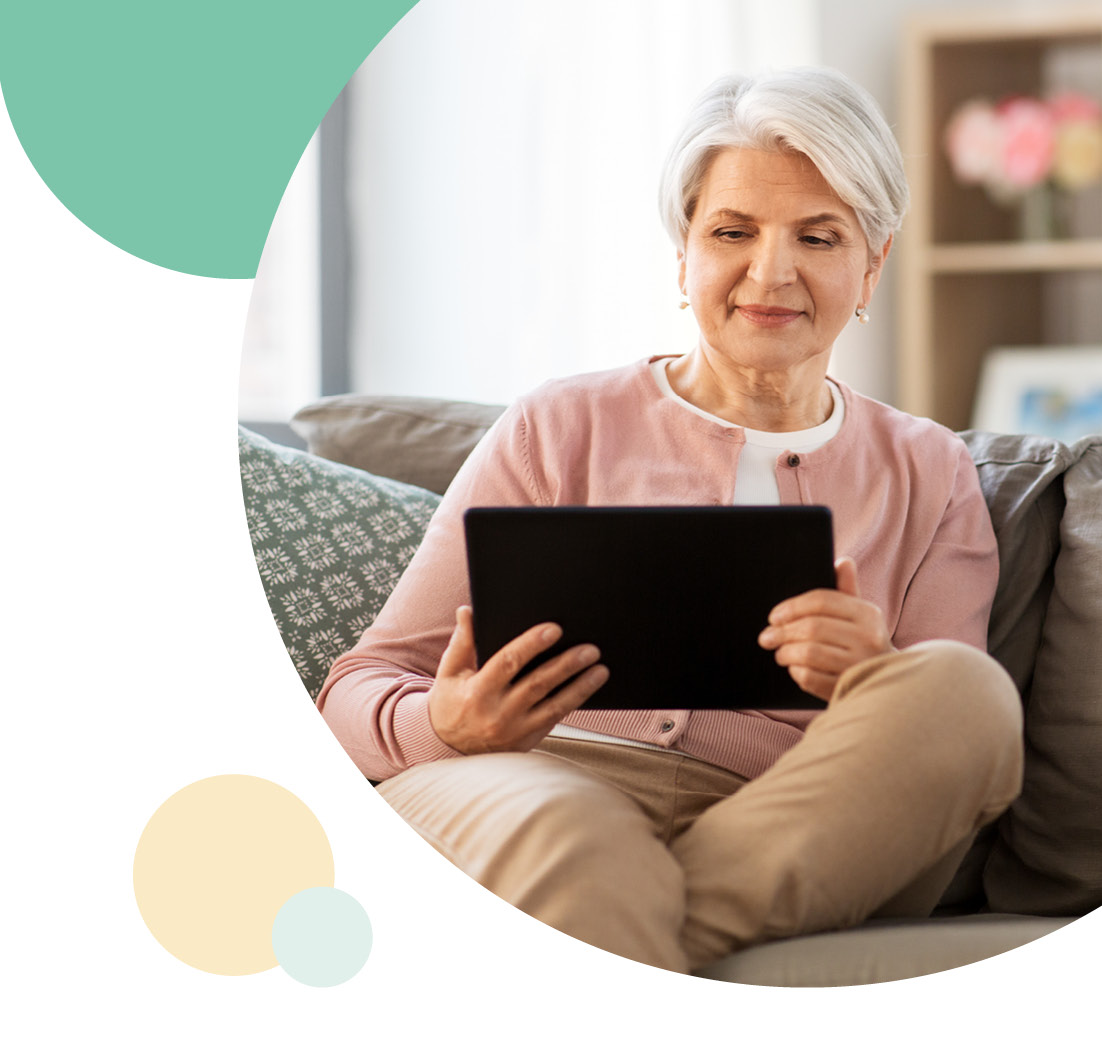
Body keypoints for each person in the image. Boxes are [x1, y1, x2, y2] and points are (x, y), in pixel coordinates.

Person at [317, 67, 1022, 976]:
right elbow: (355, 687)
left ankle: (618, 930)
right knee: (575, 836)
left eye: (818, 235)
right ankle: (645, 930)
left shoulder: (929, 470)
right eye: (732, 231)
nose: (771, 271)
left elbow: (939, 733)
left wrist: (871, 674)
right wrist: (448, 726)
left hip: (777, 818)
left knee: (965, 692)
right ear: (682, 255)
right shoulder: (556, 425)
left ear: (871, 264)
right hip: (533, 780)